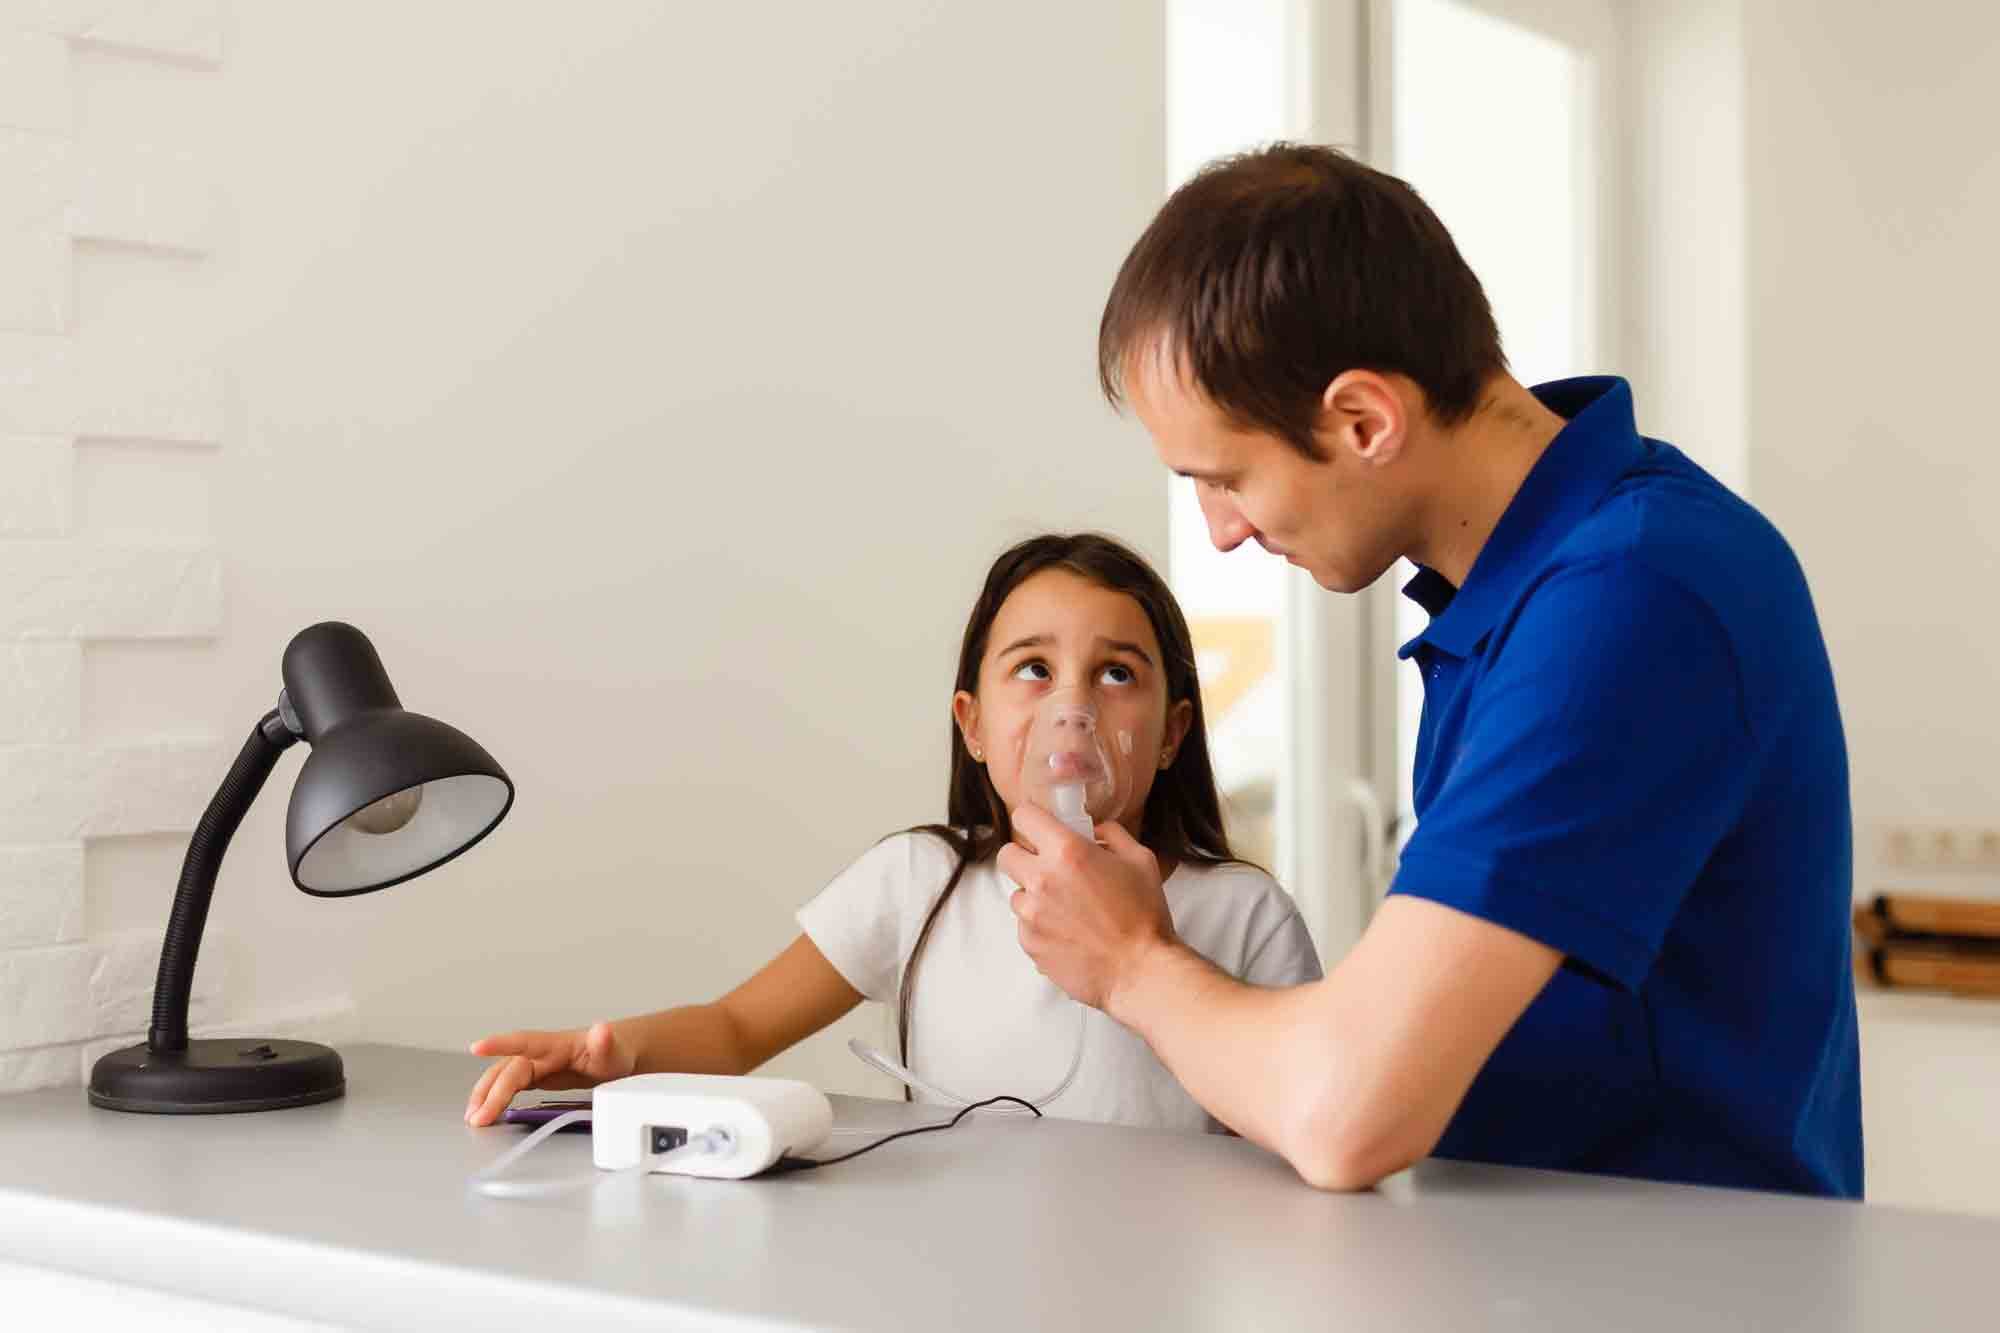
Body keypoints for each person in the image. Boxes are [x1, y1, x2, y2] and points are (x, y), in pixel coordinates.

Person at [999, 144, 1861, 1197]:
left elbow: (1348, 1110)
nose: (1219, 532)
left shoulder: (1633, 594)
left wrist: (1131, 962)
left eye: (1225, 477)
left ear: (1363, 420)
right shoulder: (1524, 595)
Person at [464, 532, 1320, 1132]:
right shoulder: (918, 882)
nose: (1074, 707)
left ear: (1171, 733)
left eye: (1115, 672)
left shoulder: (1243, 915)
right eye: (1034, 668)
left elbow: (1300, 1123)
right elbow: (734, 1028)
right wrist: (613, 1057)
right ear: (973, 723)